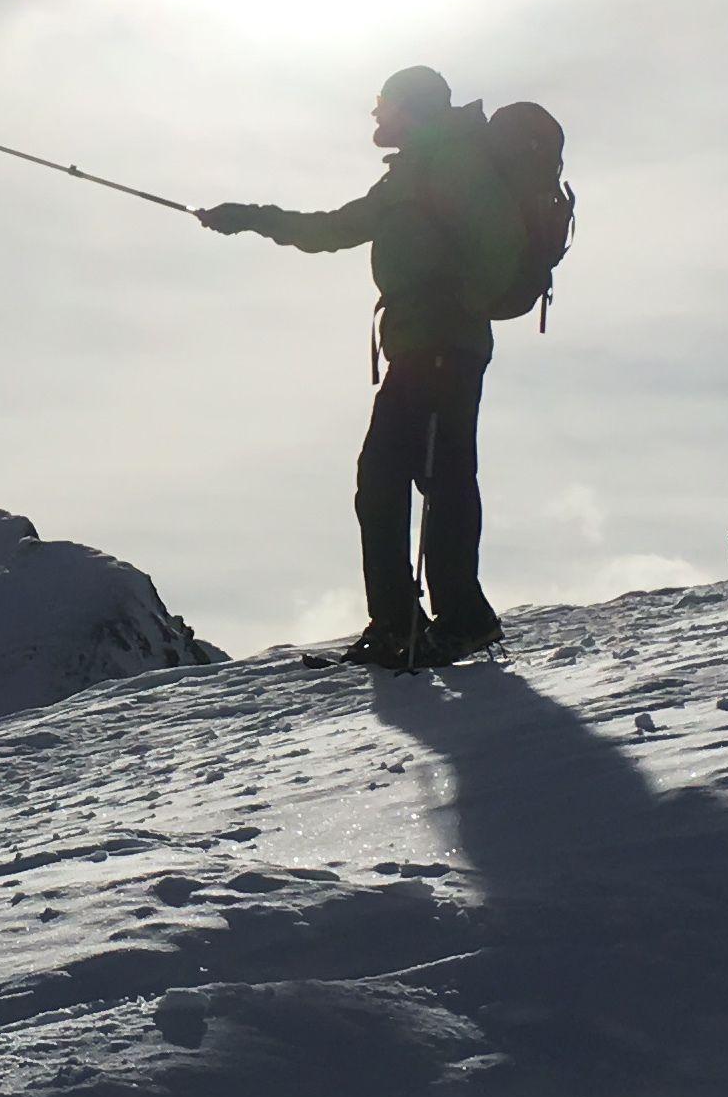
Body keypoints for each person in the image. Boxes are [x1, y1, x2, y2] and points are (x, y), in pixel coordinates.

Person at [201, 66, 522, 670]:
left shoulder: (451, 164)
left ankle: (436, 622)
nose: (376, 116)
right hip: (424, 343)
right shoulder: (410, 176)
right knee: (426, 476)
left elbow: (500, 236)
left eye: (384, 105)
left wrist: (461, 307)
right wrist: (250, 216)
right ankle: (425, 620)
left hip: (440, 345)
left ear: (412, 108)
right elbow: (332, 230)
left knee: (412, 476)